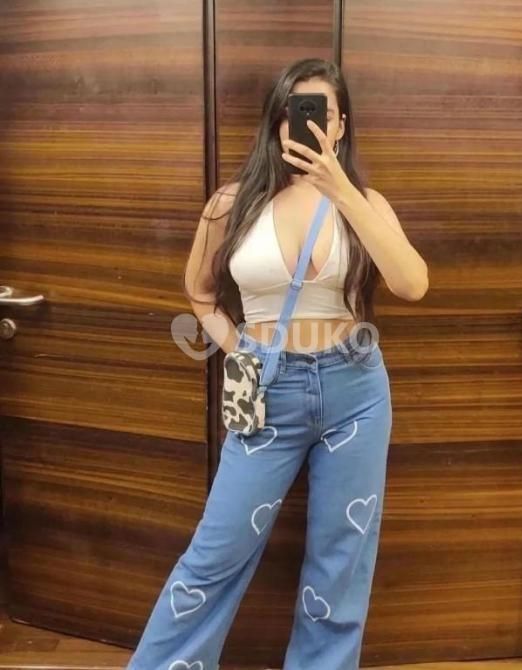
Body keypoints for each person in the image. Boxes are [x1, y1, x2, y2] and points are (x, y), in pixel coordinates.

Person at [126, 57, 428, 670]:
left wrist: (341, 191)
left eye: (324, 114)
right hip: (267, 391)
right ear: (278, 121)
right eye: (297, 111)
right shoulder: (231, 203)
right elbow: (199, 294)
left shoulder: (364, 203)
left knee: (342, 562)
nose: (310, 125)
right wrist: (241, 350)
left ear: (340, 125)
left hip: (356, 391)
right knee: (215, 554)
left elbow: (412, 284)